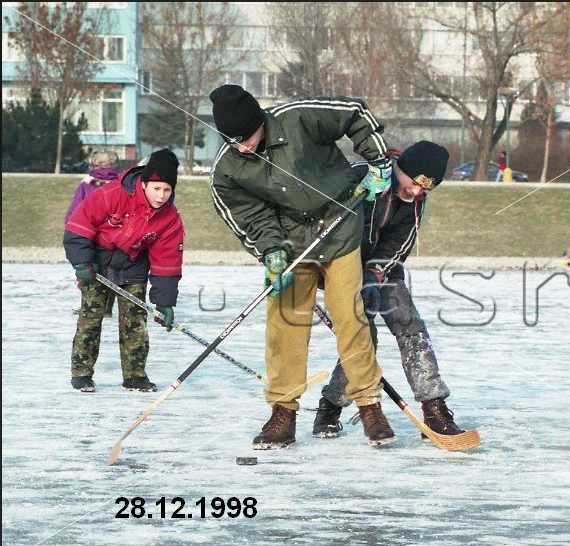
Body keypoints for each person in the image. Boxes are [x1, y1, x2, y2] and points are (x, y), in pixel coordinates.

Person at [208, 85, 396, 449]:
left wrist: (379, 162)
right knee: (285, 324)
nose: (242, 147)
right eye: (233, 142)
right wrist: (272, 253)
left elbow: (355, 113)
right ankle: (283, 412)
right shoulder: (228, 171)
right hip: (293, 243)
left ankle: (370, 405)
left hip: (340, 226)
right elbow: (249, 216)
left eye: (246, 138)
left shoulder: (297, 118)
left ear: (259, 121)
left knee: (350, 318)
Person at [312, 141, 467, 440]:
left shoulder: (415, 199)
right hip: (343, 265)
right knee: (361, 339)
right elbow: (323, 221)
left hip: (383, 270)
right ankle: (330, 407)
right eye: (416, 183)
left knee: (411, 327)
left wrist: (376, 271)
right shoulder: (361, 176)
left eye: (427, 188)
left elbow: (401, 240)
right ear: (402, 168)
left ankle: (434, 408)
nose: (418, 192)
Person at [63, 149, 185, 393]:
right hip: (97, 262)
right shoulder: (113, 193)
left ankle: (135, 376)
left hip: (133, 264)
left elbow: (167, 262)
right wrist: (82, 262)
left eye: (167, 190)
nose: (161, 196)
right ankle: (82, 372)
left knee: (135, 322)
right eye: (156, 188)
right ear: (144, 183)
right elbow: (79, 225)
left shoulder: (169, 219)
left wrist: (164, 302)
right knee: (91, 317)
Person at [66, 151, 121, 317]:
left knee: (88, 268)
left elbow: (76, 207)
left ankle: (89, 306)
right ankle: (108, 308)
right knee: (112, 272)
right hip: (115, 233)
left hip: (89, 233)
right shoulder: (120, 182)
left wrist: (70, 226)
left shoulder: (87, 183)